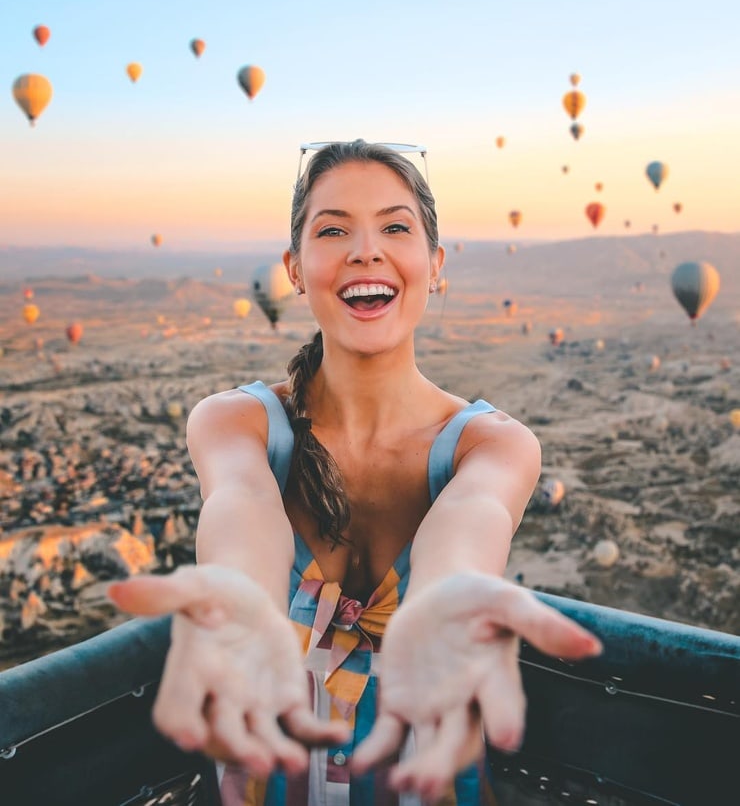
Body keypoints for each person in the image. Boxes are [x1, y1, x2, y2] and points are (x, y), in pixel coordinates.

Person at [110, 140, 602, 806]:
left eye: (395, 227)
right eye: (333, 229)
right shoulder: (236, 423)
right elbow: (242, 506)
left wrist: (444, 603)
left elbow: (466, 528)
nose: (365, 250)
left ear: (435, 265)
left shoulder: (493, 445)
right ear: (295, 268)